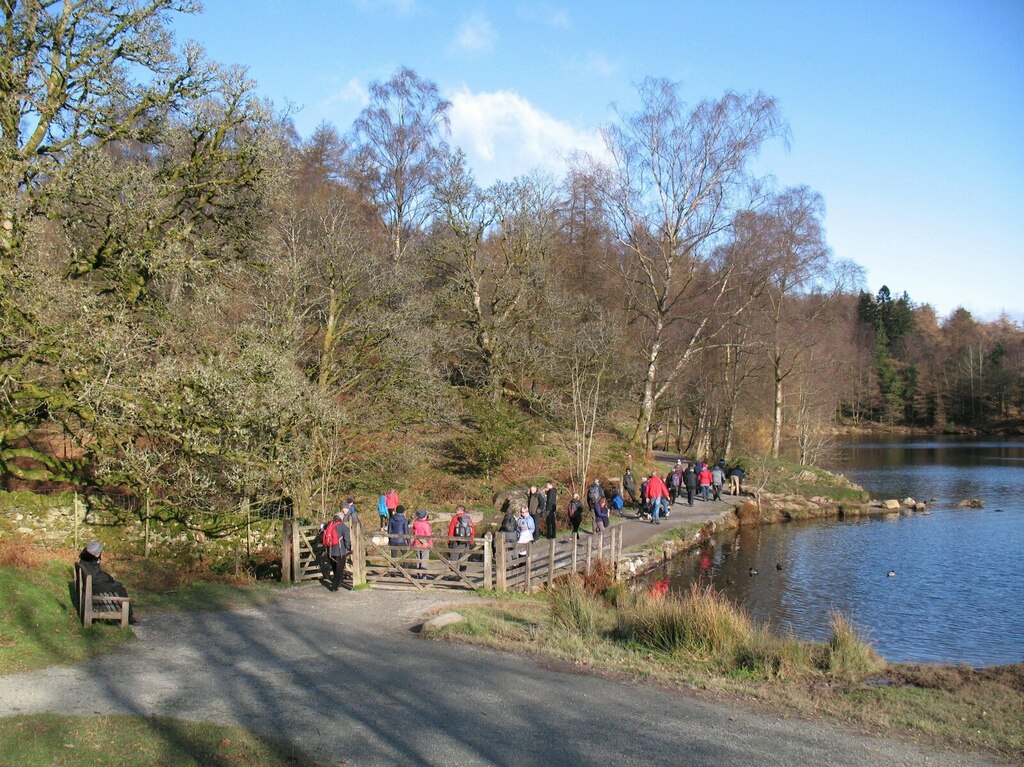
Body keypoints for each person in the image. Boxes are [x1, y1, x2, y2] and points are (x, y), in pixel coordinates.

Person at [77, 540, 138, 624]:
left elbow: (97, 574)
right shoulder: (91, 561)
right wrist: (109, 579)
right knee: (120, 589)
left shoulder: (86, 559)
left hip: (90, 585)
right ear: (97, 553)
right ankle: (128, 616)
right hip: (93, 587)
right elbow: (95, 579)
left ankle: (127, 614)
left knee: (117, 586)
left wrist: (108, 577)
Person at [326, 512, 352, 591]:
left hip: (330, 551)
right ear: (341, 518)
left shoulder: (330, 525)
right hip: (340, 551)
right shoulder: (343, 526)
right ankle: (334, 586)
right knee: (339, 569)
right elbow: (347, 539)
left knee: (334, 568)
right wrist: (348, 548)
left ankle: (339, 582)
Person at [447, 504, 475, 572]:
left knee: (454, 558)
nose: (455, 511)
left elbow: (451, 531)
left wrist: (449, 541)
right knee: (464, 559)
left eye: (456, 510)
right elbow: (473, 531)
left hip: (456, 541)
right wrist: (472, 542)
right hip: (466, 542)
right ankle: (463, 576)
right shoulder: (468, 519)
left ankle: (452, 576)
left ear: (459, 510)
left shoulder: (455, 518)